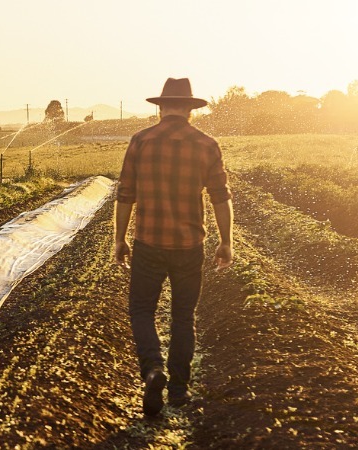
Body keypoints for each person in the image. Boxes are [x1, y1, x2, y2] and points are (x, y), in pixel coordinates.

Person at [113, 77, 234, 418]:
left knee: (141, 310)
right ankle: (179, 391)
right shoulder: (207, 145)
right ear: (190, 110)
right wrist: (226, 242)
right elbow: (220, 198)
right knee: (183, 316)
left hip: (148, 241)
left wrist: (119, 239)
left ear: (161, 107)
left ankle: (152, 370)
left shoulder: (141, 141)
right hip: (189, 244)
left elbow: (125, 196)